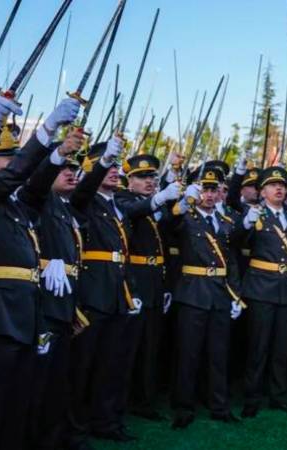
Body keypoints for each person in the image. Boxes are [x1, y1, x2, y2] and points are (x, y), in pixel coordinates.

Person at [0, 96, 80, 450]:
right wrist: (45, 129)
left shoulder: (18, 207)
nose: (17, 166)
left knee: (17, 405)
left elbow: (34, 185)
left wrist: (57, 153)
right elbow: (18, 175)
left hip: (26, 314)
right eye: (9, 159)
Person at [66, 135, 143, 446]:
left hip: (117, 293)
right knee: (82, 367)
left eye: (115, 167)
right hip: (93, 294)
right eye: (106, 167)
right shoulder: (84, 199)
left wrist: (130, 289)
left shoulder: (117, 205)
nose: (114, 171)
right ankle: (75, 428)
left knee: (112, 365)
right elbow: (84, 189)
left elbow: (122, 254)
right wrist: (102, 163)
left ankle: (107, 421)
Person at [169, 164, 244, 429]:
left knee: (218, 354)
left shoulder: (225, 222)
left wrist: (236, 295)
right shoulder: (185, 217)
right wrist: (182, 199)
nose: (209, 195)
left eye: (214, 190)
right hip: (193, 292)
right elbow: (169, 224)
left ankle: (219, 406)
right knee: (189, 354)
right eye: (204, 189)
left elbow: (231, 261)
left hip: (220, 294)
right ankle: (184, 407)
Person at [27, 129, 88, 450]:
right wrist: (44, 261)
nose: (71, 172)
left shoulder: (64, 207)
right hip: (42, 304)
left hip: (65, 302)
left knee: (58, 380)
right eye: (64, 167)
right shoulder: (38, 199)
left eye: (73, 167)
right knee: (39, 382)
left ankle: (56, 438)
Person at [239, 165, 287, 417]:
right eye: (272, 185)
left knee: (282, 347)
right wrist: (246, 225)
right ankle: (252, 397)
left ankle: (278, 395)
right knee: (258, 347)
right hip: (261, 287)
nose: (279, 188)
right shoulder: (254, 215)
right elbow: (236, 243)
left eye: (282, 185)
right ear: (262, 191)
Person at [116, 155, 181, 422]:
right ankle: (121, 401)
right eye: (142, 177)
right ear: (129, 180)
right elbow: (134, 211)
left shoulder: (157, 206)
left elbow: (167, 238)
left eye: (152, 177)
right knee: (128, 349)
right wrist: (161, 196)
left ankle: (144, 400)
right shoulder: (122, 199)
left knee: (150, 347)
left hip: (155, 281)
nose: (149, 182)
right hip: (134, 281)